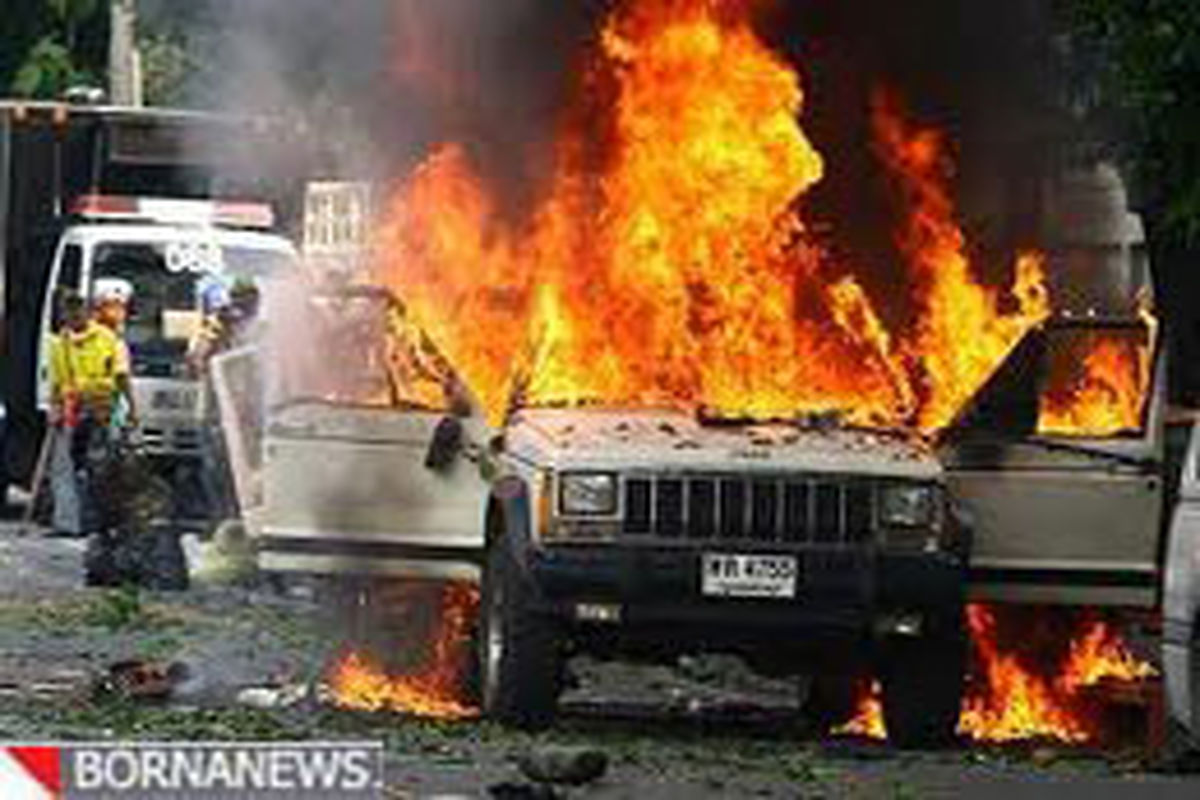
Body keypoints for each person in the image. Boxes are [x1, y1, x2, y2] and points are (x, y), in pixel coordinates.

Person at [46, 286, 135, 535]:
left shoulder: (107, 339)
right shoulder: (60, 343)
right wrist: (55, 407)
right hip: (73, 412)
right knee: (69, 469)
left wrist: (132, 411)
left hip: (102, 412)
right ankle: (72, 522)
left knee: (99, 469)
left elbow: (121, 377)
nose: (73, 320)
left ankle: (99, 521)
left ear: (86, 313)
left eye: (77, 314)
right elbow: (57, 380)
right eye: (68, 315)